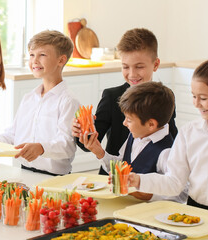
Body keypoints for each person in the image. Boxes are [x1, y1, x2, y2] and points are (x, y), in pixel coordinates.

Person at [129, 56, 208, 216]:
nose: (196, 103)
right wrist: (138, 180)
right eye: (193, 96)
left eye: (203, 98)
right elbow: (174, 182)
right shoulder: (189, 133)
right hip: (195, 214)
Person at [72, 28, 178, 175]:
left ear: (155, 64)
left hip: (149, 176)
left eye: (139, 67)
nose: (132, 74)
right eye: (125, 67)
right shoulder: (111, 96)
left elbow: (172, 139)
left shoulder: (165, 97)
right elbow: (88, 144)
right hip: (111, 175)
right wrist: (83, 131)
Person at [0, 30, 80, 175]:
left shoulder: (68, 101)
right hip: (24, 172)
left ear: (61, 60)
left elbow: (67, 146)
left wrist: (41, 148)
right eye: (32, 55)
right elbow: (12, 136)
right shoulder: (29, 98)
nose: (34, 61)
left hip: (55, 178)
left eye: (42, 55)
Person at [81, 81, 187, 202]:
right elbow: (123, 166)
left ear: (151, 124)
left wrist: (148, 195)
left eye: (129, 120)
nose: (124, 123)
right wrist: (100, 152)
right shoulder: (135, 135)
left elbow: (180, 194)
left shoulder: (167, 151)